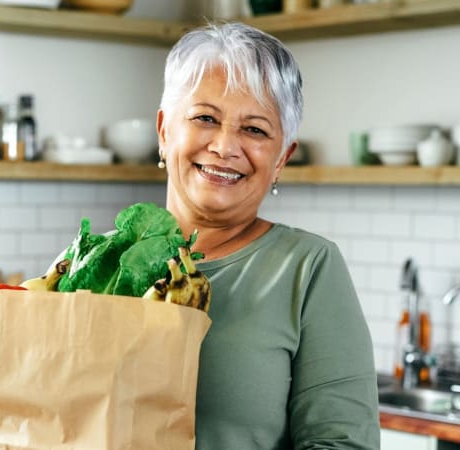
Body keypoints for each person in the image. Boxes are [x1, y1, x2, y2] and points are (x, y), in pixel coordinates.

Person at [156, 22, 380, 449]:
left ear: (282, 158)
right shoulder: (95, 260)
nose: (225, 146)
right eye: (205, 118)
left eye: (254, 129)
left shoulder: (308, 268)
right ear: (165, 131)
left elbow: (344, 444)